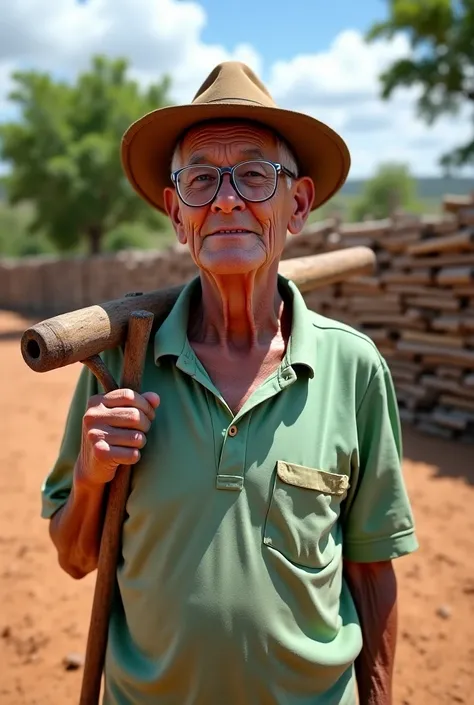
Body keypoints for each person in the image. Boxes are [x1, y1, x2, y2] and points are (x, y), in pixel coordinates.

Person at [42, 62, 418, 705]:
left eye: (252, 174)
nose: (225, 199)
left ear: (296, 204)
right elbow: (77, 560)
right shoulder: (122, 367)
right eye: (200, 179)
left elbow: (370, 567)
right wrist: (89, 479)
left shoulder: (352, 368)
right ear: (175, 211)